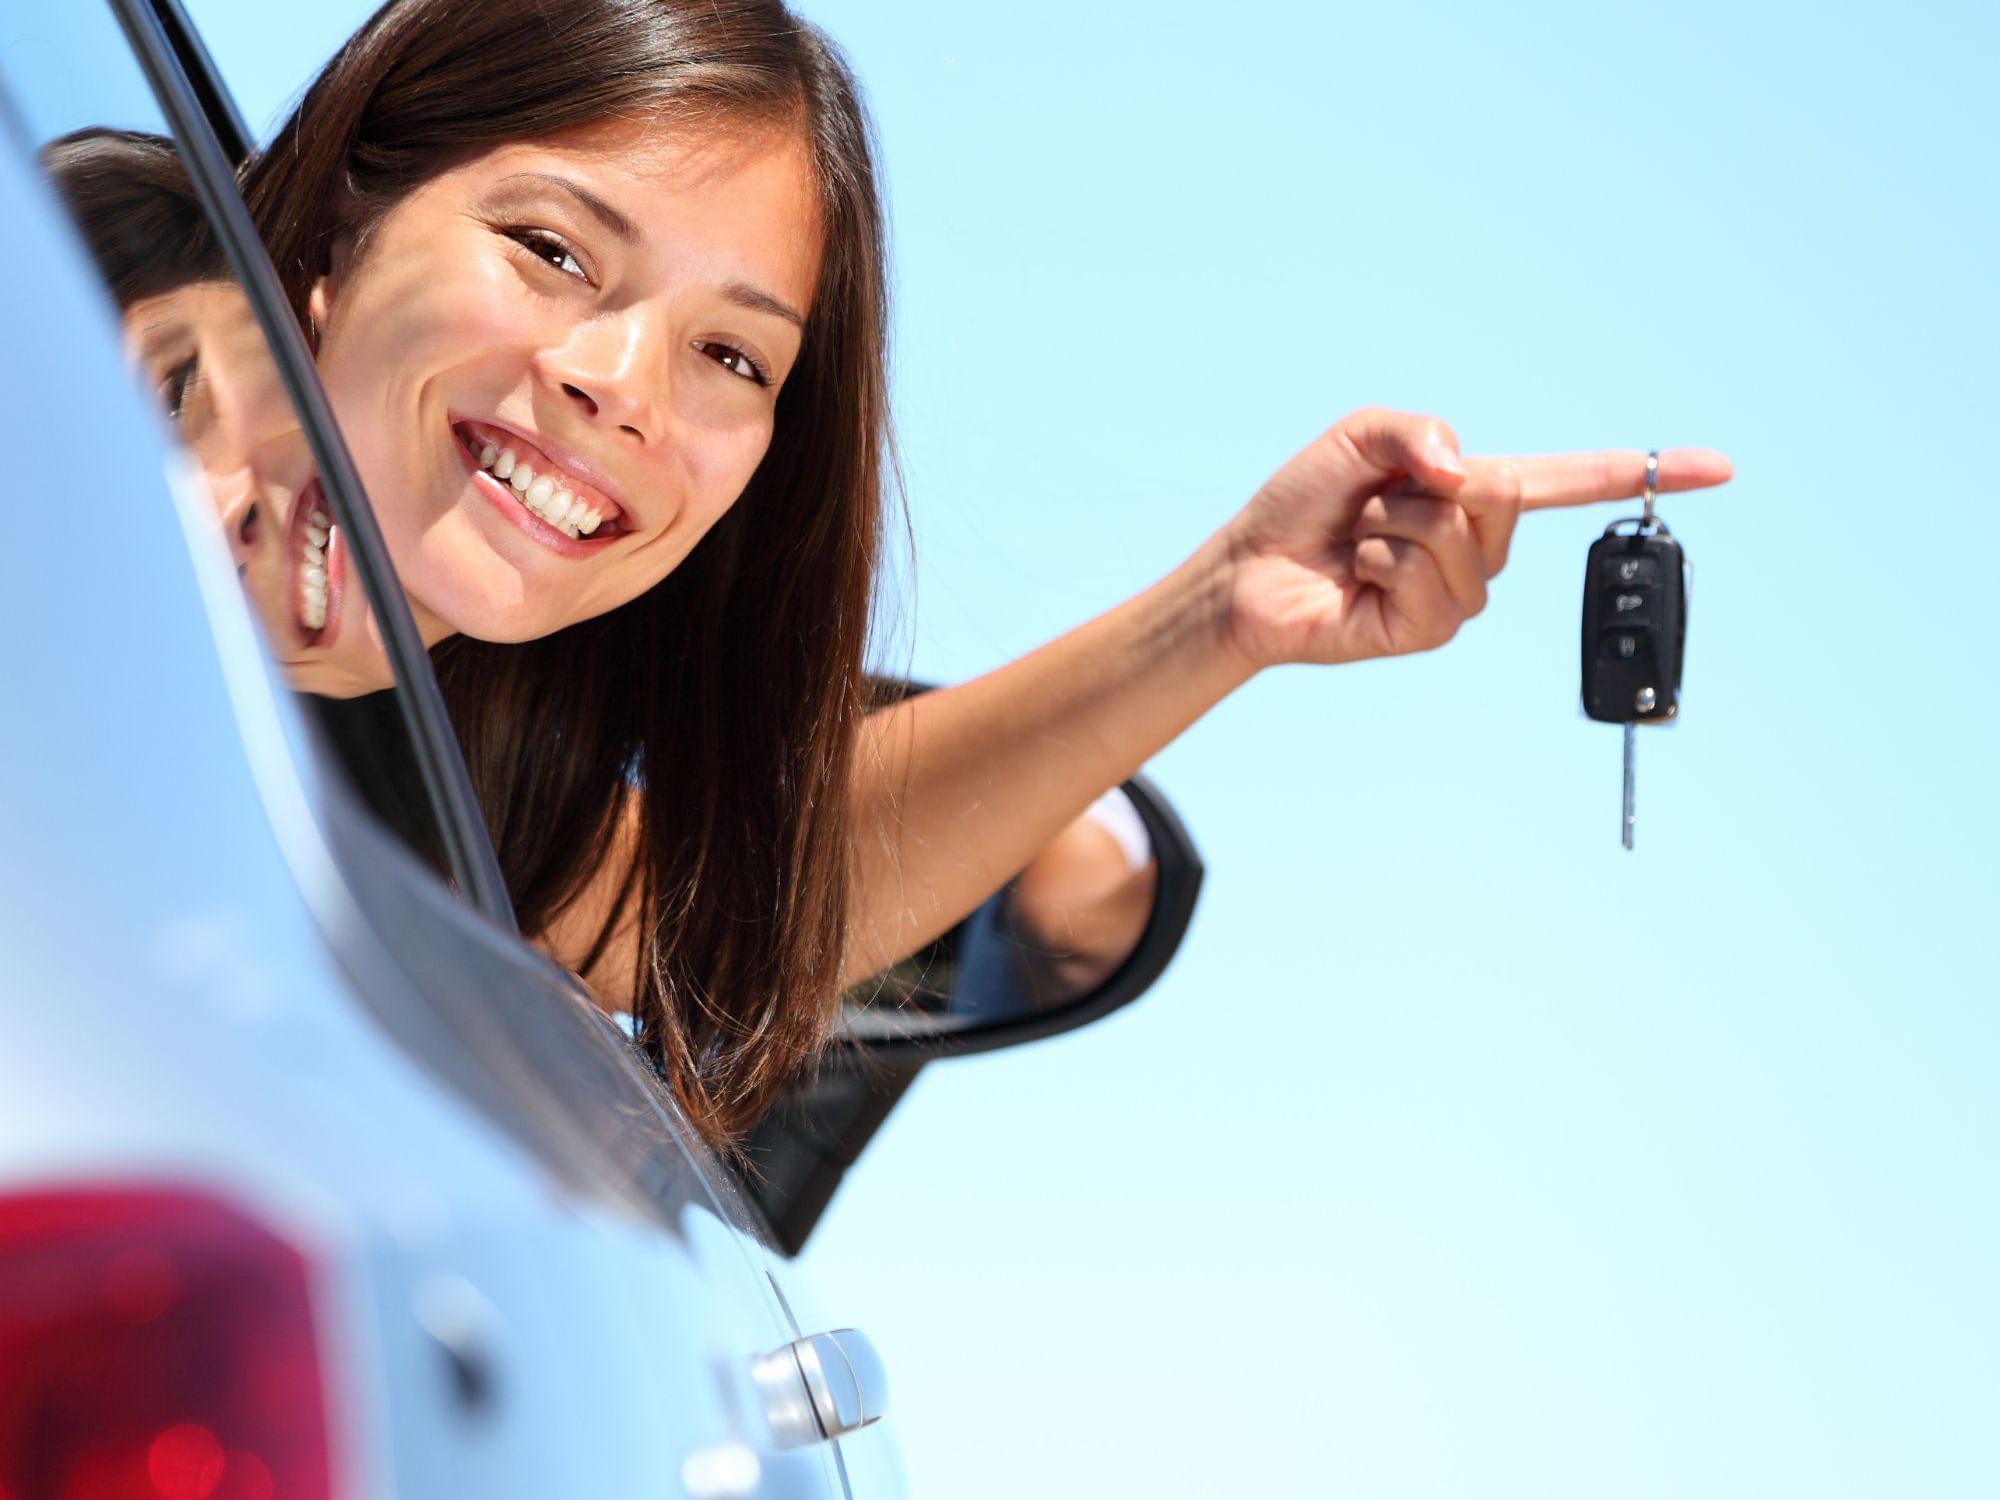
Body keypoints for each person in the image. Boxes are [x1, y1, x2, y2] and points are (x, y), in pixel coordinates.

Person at [53, 1, 1732, 1149]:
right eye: (554, 249)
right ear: (337, 241)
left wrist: (1225, 608)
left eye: (734, 356)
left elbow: (748, 907)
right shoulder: (72, 268)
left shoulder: (451, 797)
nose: (622, 384)